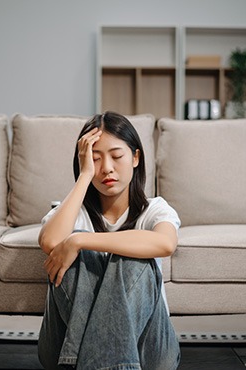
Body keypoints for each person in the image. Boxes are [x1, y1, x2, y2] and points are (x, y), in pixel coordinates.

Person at [37, 111, 181, 369]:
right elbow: (49, 241)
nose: (107, 169)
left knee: (133, 260)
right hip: (60, 348)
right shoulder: (72, 212)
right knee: (68, 253)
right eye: (95, 159)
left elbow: (165, 244)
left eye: (116, 156)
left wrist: (80, 242)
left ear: (136, 158)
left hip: (148, 351)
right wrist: (84, 177)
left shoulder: (155, 209)